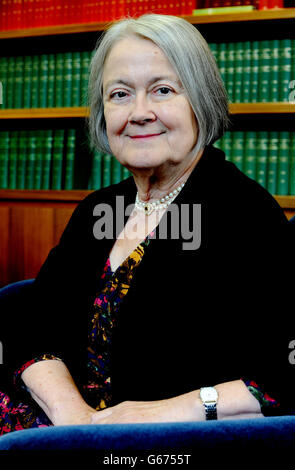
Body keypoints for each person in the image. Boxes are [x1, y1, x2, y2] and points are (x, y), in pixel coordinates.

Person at [0, 13, 294, 434]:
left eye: (162, 90)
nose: (139, 113)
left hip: (168, 445)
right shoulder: (100, 209)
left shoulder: (246, 214)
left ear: (201, 101)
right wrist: (75, 419)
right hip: (69, 428)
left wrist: (160, 414)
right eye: (120, 94)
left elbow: (282, 373)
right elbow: (29, 324)